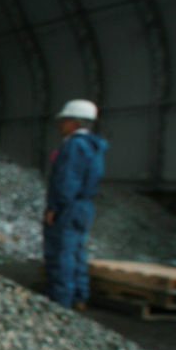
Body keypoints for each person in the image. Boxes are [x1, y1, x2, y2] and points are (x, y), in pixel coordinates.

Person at [43, 99, 108, 310]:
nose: (61, 125)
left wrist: (54, 207)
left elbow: (67, 180)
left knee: (61, 252)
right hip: (84, 206)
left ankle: (60, 302)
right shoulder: (94, 146)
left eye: (64, 121)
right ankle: (80, 296)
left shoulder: (74, 146)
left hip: (68, 207)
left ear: (75, 122)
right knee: (77, 251)